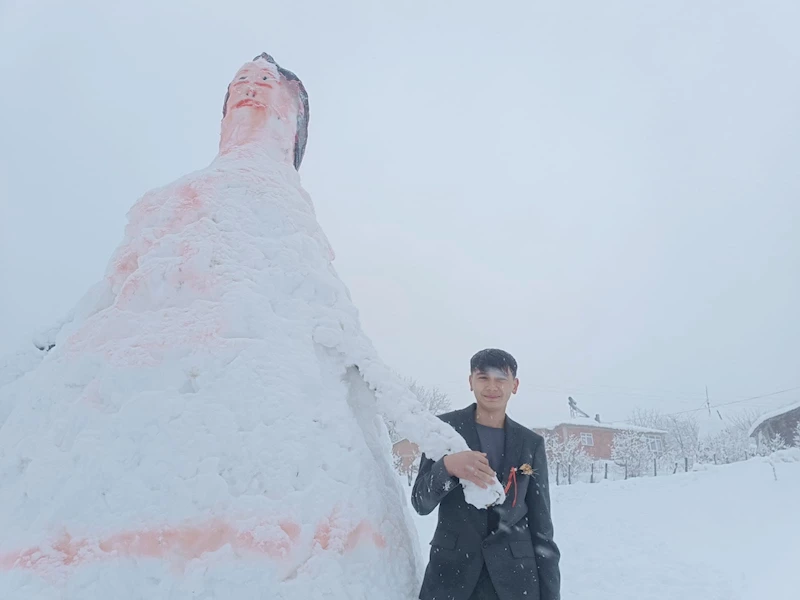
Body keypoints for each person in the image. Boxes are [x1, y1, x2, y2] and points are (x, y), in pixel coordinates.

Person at [411, 349, 560, 600]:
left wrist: (550, 594)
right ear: (470, 382)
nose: (492, 386)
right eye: (483, 378)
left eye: (501, 379)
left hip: (515, 581)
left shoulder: (530, 443)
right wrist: (447, 467)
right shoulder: (444, 430)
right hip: (450, 578)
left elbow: (542, 526)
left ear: (515, 385)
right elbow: (420, 501)